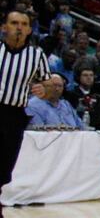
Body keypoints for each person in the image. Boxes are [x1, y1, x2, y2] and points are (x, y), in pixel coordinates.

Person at [1, 11, 49, 195]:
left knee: (6, 164)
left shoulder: (36, 55)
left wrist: (44, 91)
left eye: (23, 24)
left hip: (15, 115)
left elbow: (48, 84)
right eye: (14, 23)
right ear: (4, 27)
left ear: (29, 29)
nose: (19, 27)